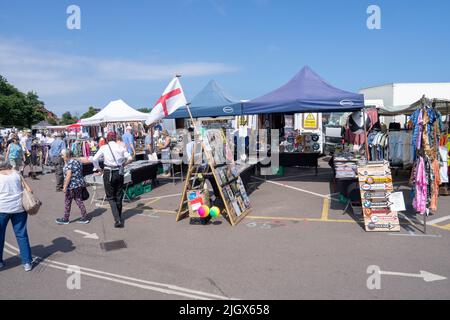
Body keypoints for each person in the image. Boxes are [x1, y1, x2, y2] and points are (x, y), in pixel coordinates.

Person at [93, 132, 132, 228]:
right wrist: (124, 164)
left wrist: (98, 169)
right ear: (115, 139)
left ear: (107, 139)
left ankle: (117, 219)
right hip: (119, 172)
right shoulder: (120, 147)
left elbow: (94, 159)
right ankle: (118, 216)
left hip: (108, 172)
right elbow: (130, 158)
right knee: (119, 195)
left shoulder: (104, 147)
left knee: (110, 197)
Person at [0, 160, 33, 272]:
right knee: (21, 235)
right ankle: (27, 262)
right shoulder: (16, 174)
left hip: (2, 209)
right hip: (19, 208)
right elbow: (29, 190)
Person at [55, 150, 90, 225]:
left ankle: (65, 218)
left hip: (72, 186)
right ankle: (84, 216)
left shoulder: (70, 163)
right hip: (78, 184)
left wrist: (64, 186)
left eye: (63, 155)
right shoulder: (77, 161)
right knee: (78, 200)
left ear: (67, 156)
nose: (62, 156)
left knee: (68, 201)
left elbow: (68, 176)